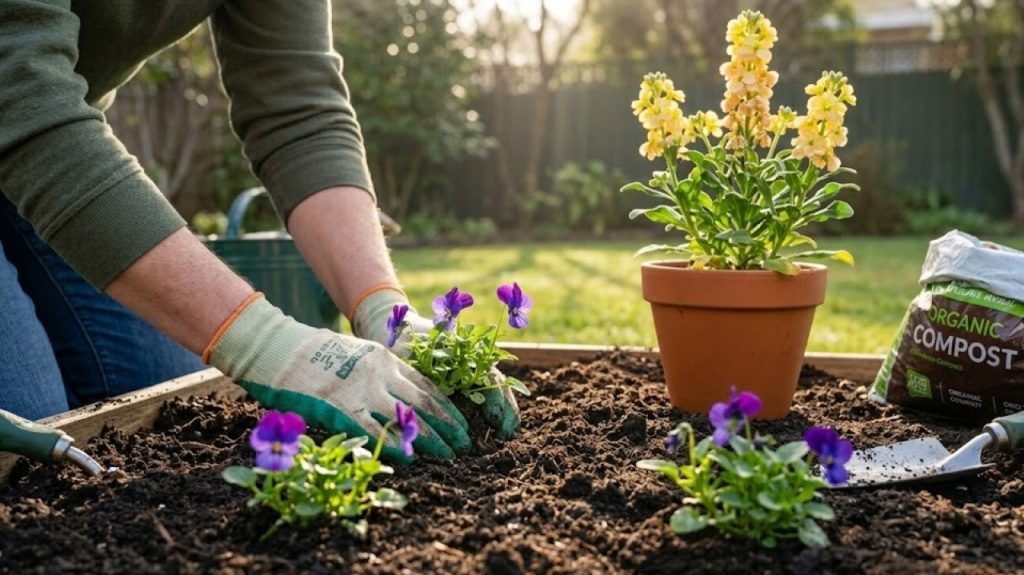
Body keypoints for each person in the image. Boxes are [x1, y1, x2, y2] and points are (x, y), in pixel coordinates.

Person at [0, 1, 519, 460]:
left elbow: (298, 107)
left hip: (53, 157)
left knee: (166, 396)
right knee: (28, 437)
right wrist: (267, 345)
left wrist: (384, 310)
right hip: (34, 131)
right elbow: (21, 94)